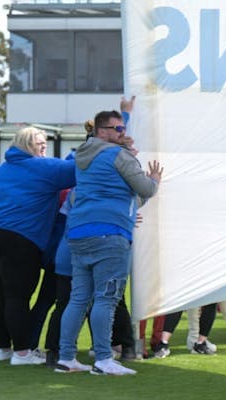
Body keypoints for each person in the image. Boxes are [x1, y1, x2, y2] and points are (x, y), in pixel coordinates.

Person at [57, 111, 162, 375]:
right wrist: (154, 181)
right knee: (106, 298)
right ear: (102, 131)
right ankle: (103, 359)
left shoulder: (82, 156)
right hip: (111, 233)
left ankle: (66, 357)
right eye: (117, 129)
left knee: (79, 298)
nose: (122, 133)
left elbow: (119, 195)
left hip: (79, 232)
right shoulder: (119, 156)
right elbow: (145, 189)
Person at [0, 126, 75, 365]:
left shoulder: (3, 170)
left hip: (2, 235)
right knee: (18, 297)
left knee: (2, 295)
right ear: (27, 145)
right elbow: (83, 167)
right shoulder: (44, 168)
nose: (44, 146)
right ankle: (22, 352)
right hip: (23, 239)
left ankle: (3, 348)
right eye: (39, 143)